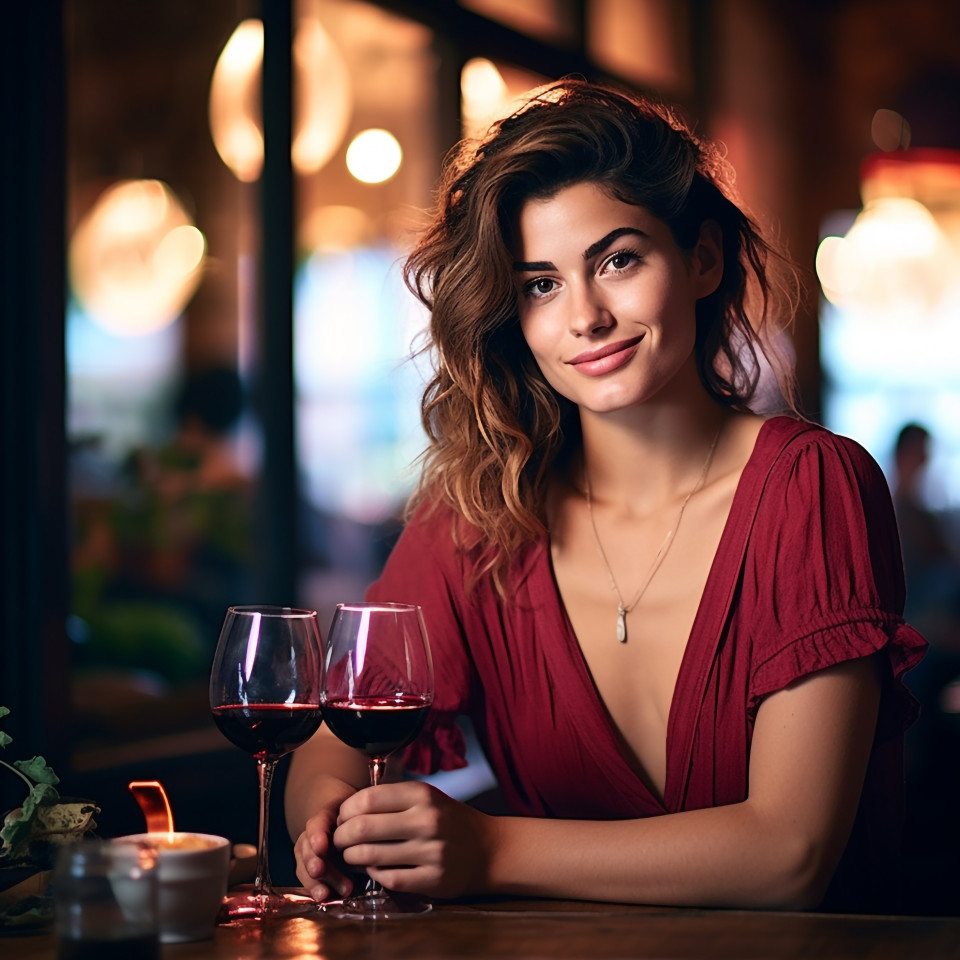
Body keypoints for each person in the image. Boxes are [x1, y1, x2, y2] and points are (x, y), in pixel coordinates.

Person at [286, 79, 926, 913]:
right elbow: (330, 750)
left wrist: (489, 846)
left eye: (618, 260)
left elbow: (789, 853)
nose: (584, 316)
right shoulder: (483, 513)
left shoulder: (815, 485)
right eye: (540, 284)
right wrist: (338, 829)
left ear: (700, 259)